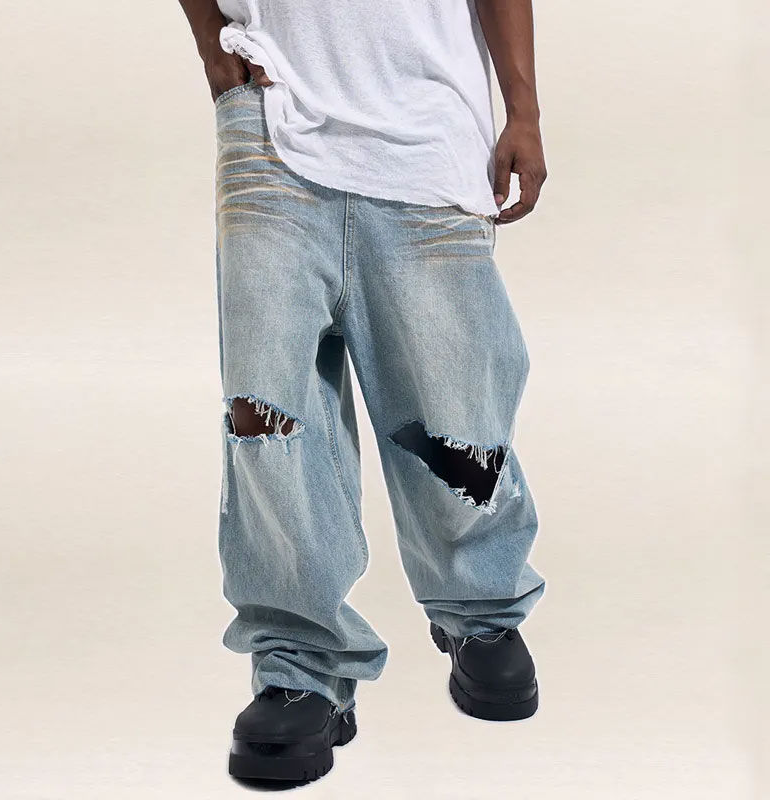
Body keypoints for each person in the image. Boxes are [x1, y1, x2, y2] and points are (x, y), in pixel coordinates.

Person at [178, 0, 548, 784]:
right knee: (268, 417)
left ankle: (479, 607)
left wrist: (523, 108)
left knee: (457, 409)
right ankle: (298, 664)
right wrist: (210, 36)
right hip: (271, 123)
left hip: (428, 128)